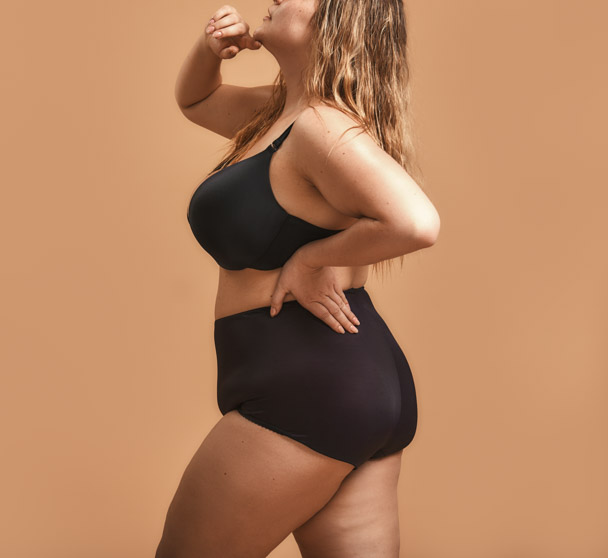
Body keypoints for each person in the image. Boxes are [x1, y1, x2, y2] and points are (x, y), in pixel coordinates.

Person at [156, 1, 440, 557]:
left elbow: (416, 222)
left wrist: (309, 262)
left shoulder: (318, 127)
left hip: (305, 388)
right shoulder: (281, 115)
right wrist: (209, 48)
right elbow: (197, 100)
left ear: (335, 20)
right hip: (353, 380)